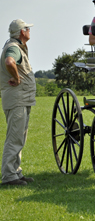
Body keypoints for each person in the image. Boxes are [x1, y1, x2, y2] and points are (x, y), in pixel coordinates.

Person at [0, 19, 36, 186]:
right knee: (15, 137)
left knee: (19, 137)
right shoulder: (14, 48)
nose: (30, 31)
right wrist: (16, 77)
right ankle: (8, 176)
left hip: (20, 98)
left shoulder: (16, 46)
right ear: (22, 31)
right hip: (17, 98)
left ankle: (15, 172)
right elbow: (9, 62)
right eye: (28, 28)